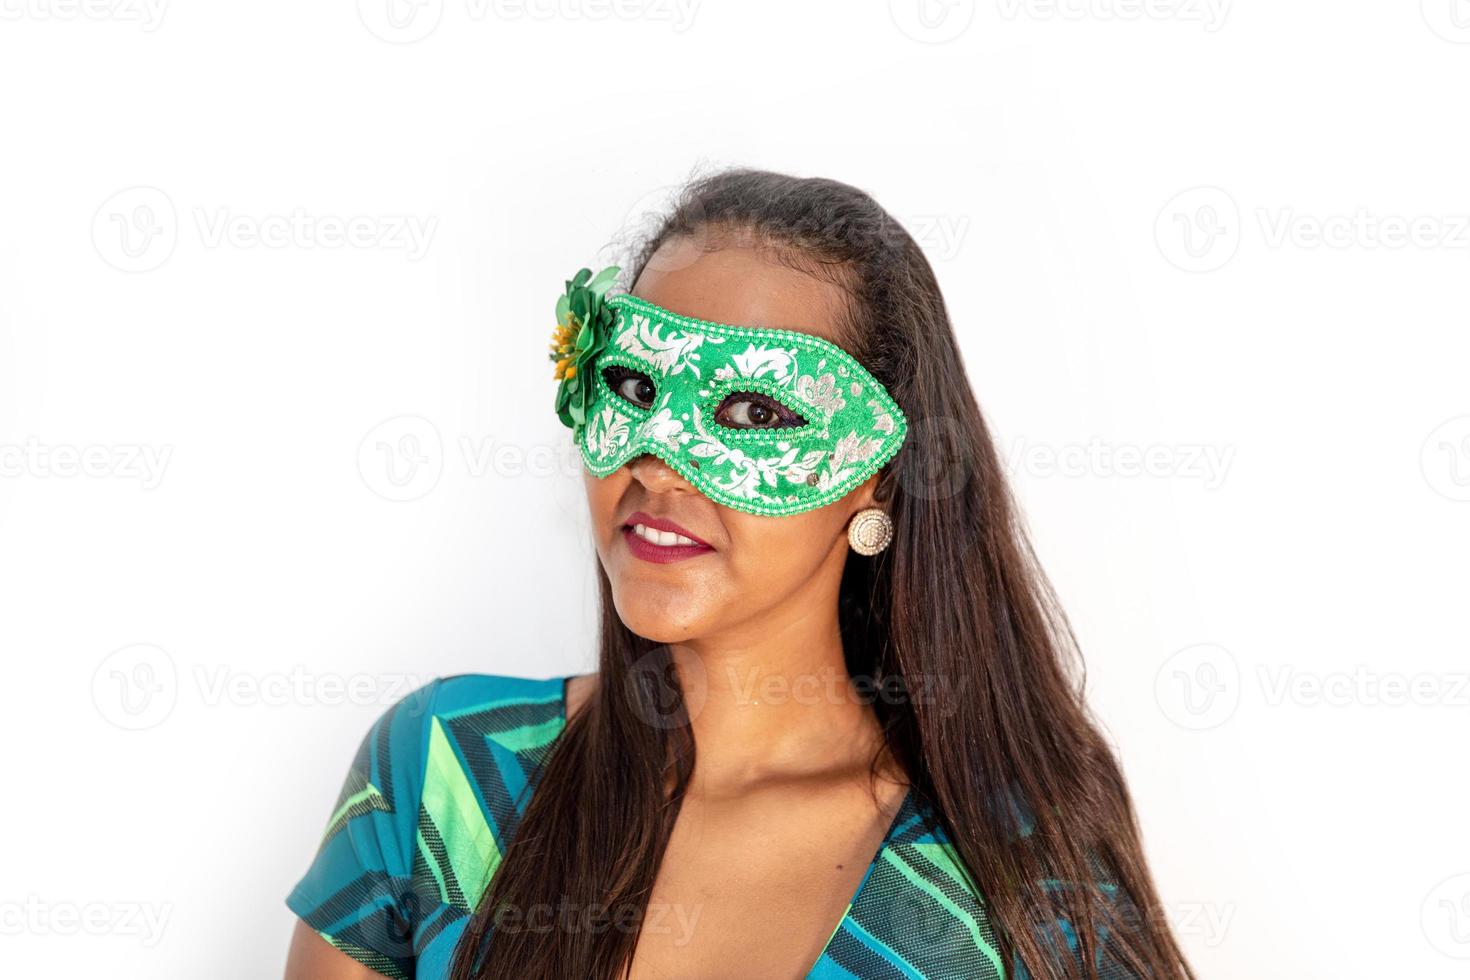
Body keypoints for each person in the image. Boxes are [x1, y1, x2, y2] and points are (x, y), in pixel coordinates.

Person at [283, 167, 1195, 979]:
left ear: (873, 476)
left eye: (755, 410)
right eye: (636, 389)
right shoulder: (439, 768)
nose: (660, 465)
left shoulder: (1007, 872)